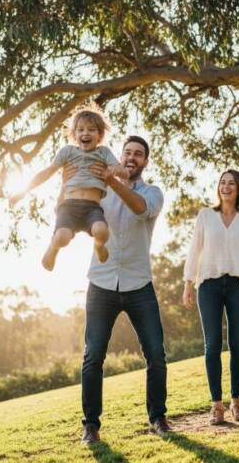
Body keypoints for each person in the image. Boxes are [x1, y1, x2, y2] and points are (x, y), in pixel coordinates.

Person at [68, 135, 171, 444]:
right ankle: (91, 425)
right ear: (120, 155)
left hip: (139, 284)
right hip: (101, 283)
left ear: (145, 162)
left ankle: (158, 417)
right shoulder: (100, 192)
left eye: (138, 154)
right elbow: (82, 215)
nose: (131, 157)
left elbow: (140, 209)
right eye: (127, 152)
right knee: (93, 356)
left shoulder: (153, 193)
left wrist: (113, 182)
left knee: (155, 354)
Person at [182, 170, 239, 424]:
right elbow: (194, 250)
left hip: (238, 285)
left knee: (237, 344)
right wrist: (188, 283)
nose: (226, 187)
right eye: (222, 183)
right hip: (209, 286)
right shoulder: (206, 216)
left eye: (231, 183)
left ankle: (236, 401)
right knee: (212, 345)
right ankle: (216, 404)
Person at [9, 105, 129, 271]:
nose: (85, 133)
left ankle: (99, 246)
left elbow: (125, 173)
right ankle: (53, 247)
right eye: (80, 130)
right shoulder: (67, 152)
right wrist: (22, 192)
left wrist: (115, 170)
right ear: (74, 135)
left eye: (91, 130)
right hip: (69, 206)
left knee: (102, 232)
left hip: (92, 207)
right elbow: (48, 172)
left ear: (100, 135)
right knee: (61, 238)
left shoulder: (103, 153)